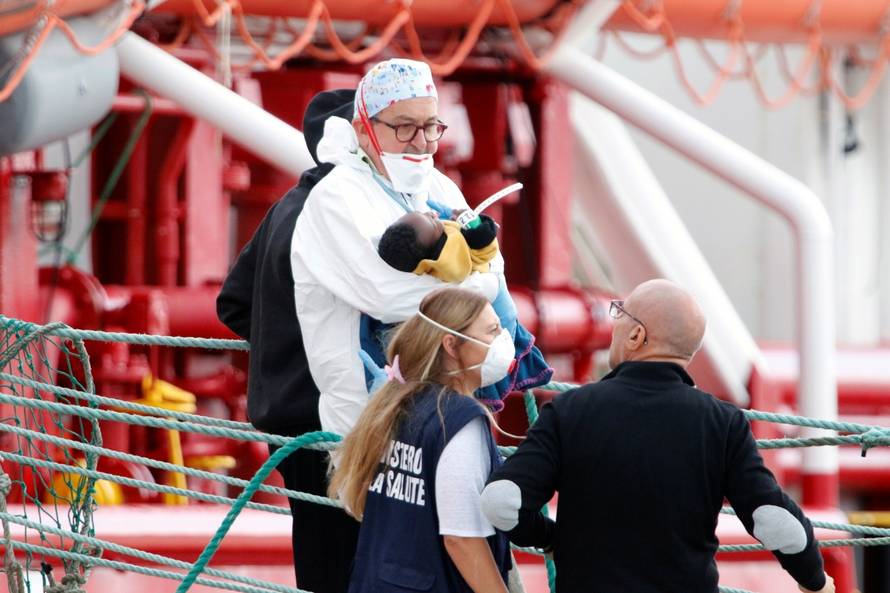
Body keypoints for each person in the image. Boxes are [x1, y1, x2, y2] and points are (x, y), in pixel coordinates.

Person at [480, 279, 835, 593]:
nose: (614, 322)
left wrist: (549, 537)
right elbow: (773, 519)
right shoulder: (723, 423)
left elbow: (501, 501)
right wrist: (814, 580)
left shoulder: (570, 410)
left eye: (619, 313)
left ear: (637, 336)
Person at [291, 58, 502, 438]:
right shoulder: (337, 197)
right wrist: (480, 288)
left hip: (441, 406)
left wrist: (478, 280)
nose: (421, 141)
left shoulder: (437, 186)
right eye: (405, 127)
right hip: (365, 419)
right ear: (363, 130)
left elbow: (490, 257)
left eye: (431, 126)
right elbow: (388, 296)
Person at [215, 89, 359, 593]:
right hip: (336, 415)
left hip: (287, 418)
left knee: (318, 552)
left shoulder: (286, 208)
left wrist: (284, 353)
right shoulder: (342, 214)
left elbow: (231, 303)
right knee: (352, 557)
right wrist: (318, 353)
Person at [329, 287, 553, 593]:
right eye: (492, 331)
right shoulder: (460, 421)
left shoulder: (395, 404)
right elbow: (461, 539)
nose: (504, 339)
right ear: (451, 344)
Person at [361, 209, 552, 405]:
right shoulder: (452, 257)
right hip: (487, 335)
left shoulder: (417, 265)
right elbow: (486, 247)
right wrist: (473, 224)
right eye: (431, 221)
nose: (434, 214)